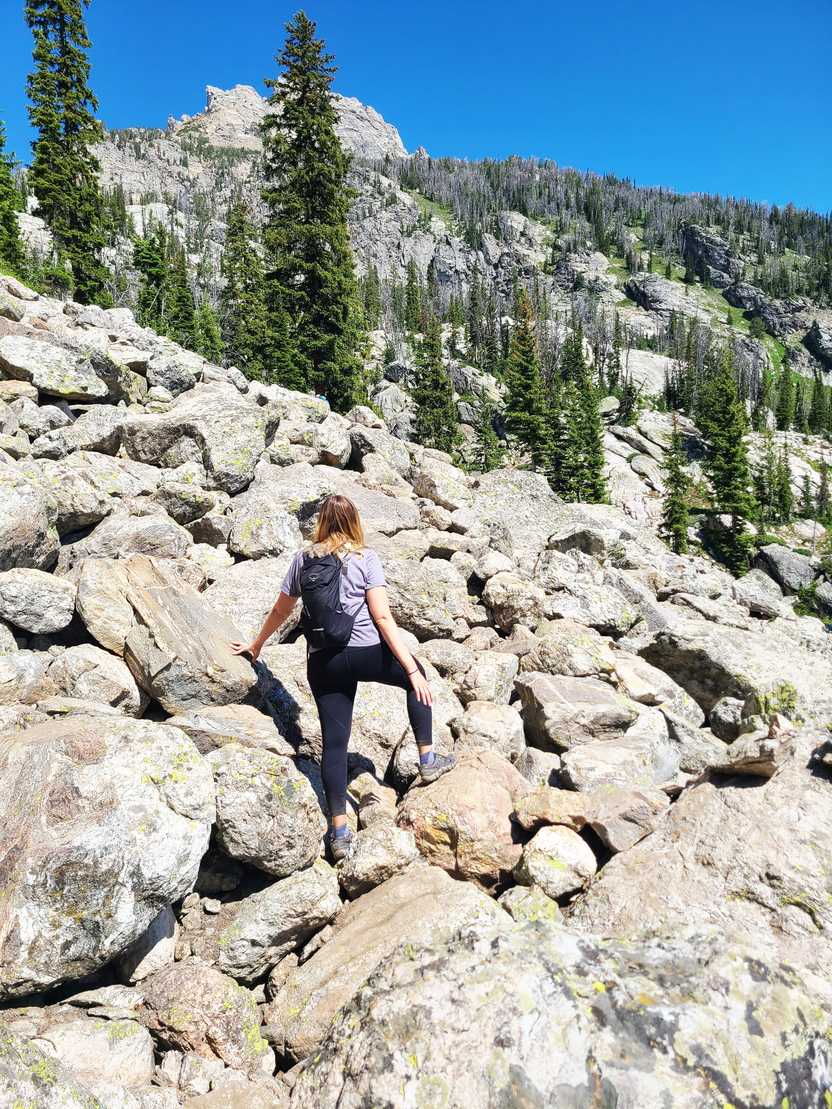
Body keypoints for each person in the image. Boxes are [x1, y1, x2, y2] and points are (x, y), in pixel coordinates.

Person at [231, 494, 455, 860]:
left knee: (335, 744)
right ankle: (427, 759)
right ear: (354, 521)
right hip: (367, 654)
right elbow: (382, 618)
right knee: (418, 675)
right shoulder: (365, 558)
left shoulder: (303, 559)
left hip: (324, 661)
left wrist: (256, 646)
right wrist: (411, 669)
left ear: (321, 522)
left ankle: (338, 832)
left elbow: (281, 609)